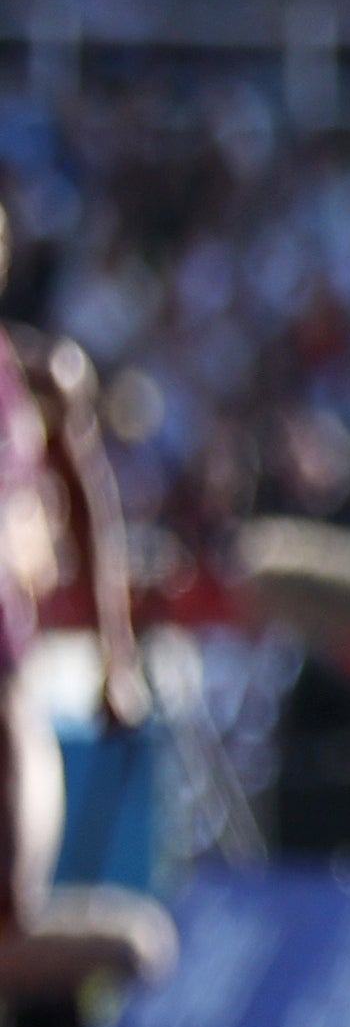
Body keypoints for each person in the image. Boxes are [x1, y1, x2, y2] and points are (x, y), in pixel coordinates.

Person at [0, 202, 146, 928]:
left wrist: (115, 657)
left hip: (4, 671)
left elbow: (92, 512)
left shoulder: (36, 379)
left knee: (14, 900)